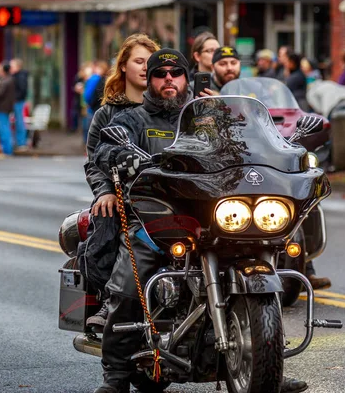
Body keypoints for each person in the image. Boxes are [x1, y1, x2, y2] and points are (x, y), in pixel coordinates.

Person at [93, 48, 307, 393]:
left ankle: (268, 365)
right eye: (160, 74)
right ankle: (115, 375)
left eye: (175, 73)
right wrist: (122, 155)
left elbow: (250, 145)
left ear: (186, 77)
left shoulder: (209, 117)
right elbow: (105, 148)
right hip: (156, 221)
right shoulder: (133, 120)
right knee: (130, 284)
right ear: (149, 79)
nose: (168, 80)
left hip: (210, 219)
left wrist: (288, 149)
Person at [83, 34, 160, 329]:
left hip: (165, 195)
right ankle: (110, 302)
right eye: (138, 61)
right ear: (124, 66)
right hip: (123, 194)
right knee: (109, 217)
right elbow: (94, 161)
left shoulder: (172, 109)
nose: (144, 68)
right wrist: (105, 192)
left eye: (149, 63)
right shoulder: (107, 114)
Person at [0, 63, 16, 158]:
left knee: (3, 129)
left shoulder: (5, 81)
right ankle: (7, 149)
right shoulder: (10, 80)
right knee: (5, 128)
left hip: (2, 107)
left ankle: (6, 150)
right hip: (6, 107)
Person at [10, 58, 29, 152]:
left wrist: (15, 98)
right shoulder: (15, 76)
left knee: (19, 122)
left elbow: (22, 90)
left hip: (18, 102)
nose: (10, 67)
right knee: (16, 122)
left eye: (12, 65)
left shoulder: (20, 76)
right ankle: (18, 142)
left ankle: (21, 143)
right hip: (16, 101)